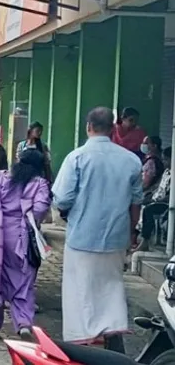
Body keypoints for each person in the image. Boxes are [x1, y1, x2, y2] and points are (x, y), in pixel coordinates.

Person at [52, 107, 143, 352]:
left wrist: (67, 211)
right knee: (111, 286)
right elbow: (136, 203)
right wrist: (132, 233)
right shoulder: (131, 160)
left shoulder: (77, 158)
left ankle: (84, 342)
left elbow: (62, 198)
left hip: (82, 235)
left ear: (88, 126)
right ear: (113, 128)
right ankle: (111, 331)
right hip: (116, 237)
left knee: (80, 290)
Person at [0, 148, 52, 340]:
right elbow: (40, 209)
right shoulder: (39, 184)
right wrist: (29, 218)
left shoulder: (0, 178)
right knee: (23, 283)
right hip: (21, 240)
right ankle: (23, 323)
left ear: (18, 161)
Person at [138, 135, 169, 252]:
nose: (164, 161)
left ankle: (144, 241)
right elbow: (157, 186)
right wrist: (151, 196)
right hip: (154, 196)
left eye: (166, 159)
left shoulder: (153, 162)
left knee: (147, 210)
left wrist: (157, 199)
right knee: (141, 203)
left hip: (164, 202)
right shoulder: (166, 172)